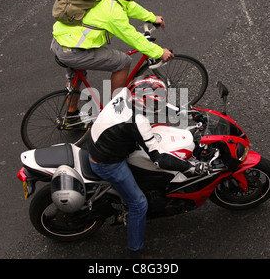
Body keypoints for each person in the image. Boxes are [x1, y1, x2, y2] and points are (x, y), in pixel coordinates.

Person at [87, 75, 203, 259]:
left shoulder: (125, 93)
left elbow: (157, 103)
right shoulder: (138, 121)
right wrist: (188, 167)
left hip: (100, 142)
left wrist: (188, 112)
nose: (158, 106)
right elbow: (158, 159)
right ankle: (135, 255)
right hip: (106, 162)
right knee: (139, 205)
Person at [50, 0, 174, 121]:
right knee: (123, 62)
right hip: (74, 51)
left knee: (77, 74)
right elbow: (131, 36)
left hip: (60, 41)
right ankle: (115, 111)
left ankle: (71, 116)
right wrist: (158, 52)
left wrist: (151, 17)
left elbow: (129, 6)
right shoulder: (112, 13)